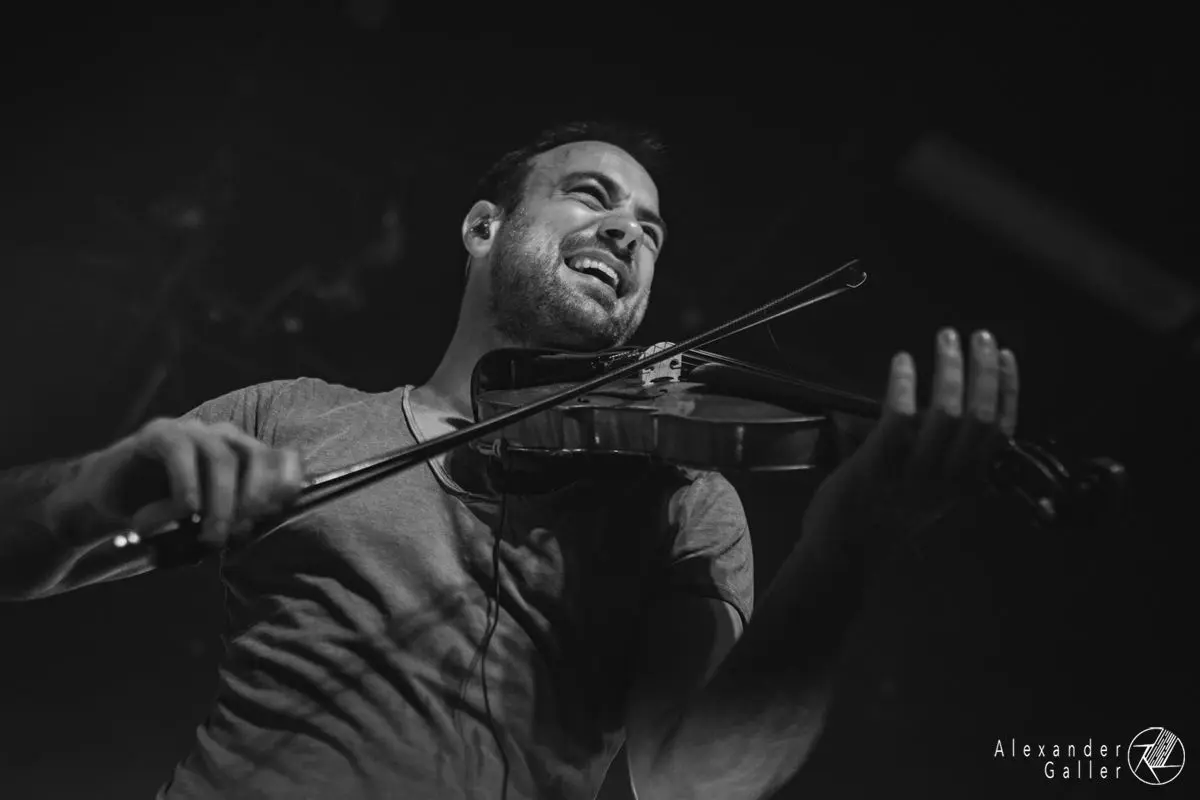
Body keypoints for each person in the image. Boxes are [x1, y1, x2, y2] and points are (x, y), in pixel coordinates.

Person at [0, 120, 1018, 800]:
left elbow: (695, 782)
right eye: (590, 196)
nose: (628, 233)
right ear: (486, 227)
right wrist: (95, 487)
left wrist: (846, 547)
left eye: (651, 233)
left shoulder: (681, 498)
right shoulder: (292, 416)